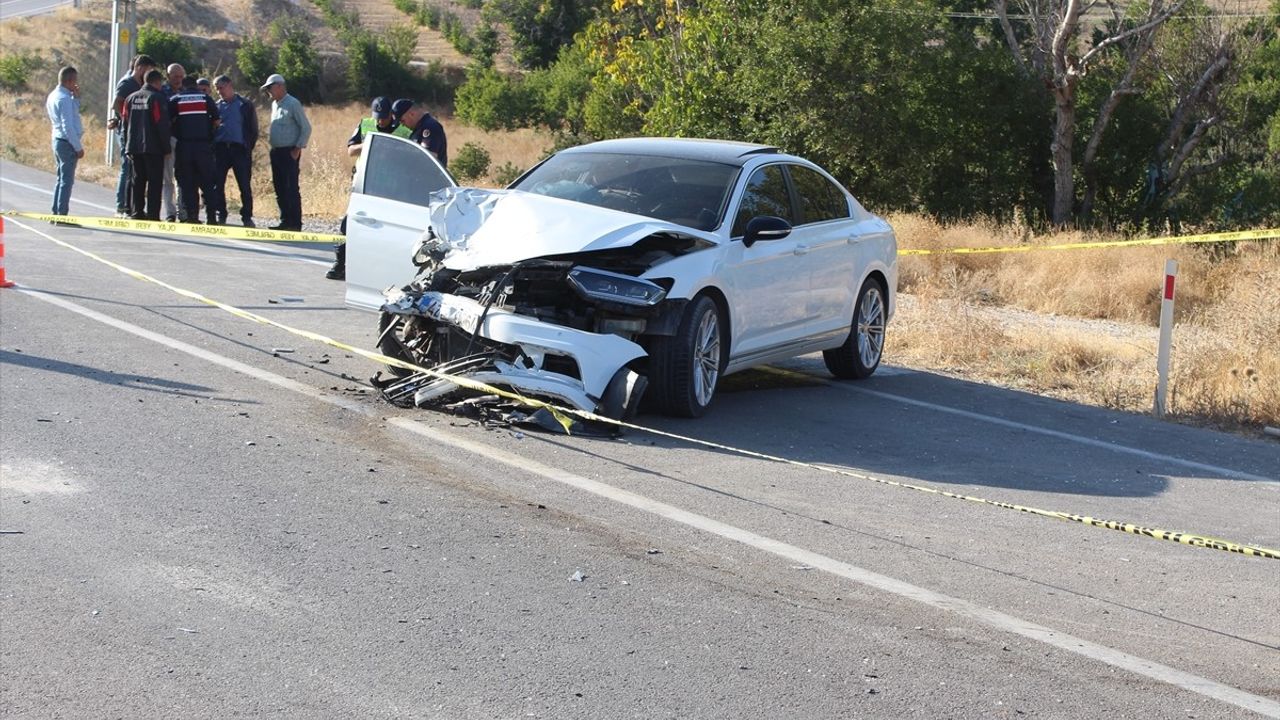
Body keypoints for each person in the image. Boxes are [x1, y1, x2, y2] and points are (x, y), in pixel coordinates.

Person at [326, 97, 411, 280]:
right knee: (349, 224)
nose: (380, 121)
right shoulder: (365, 125)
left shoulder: (403, 131)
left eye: (384, 117)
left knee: (387, 228)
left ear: (391, 115)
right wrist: (371, 144)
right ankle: (340, 264)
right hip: (364, 184)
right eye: (378, 117)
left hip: (391, 188)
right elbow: (350, 151)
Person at [261, 73, 311, 231]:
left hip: (289, 151)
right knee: (279, 187)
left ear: (280, 86)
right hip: (276, 151)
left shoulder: (292, 103)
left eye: (270, 88)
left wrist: (297, 148)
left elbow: (306, 127)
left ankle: (295, 223)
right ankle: (285, 220)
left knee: (291, 188)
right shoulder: (275, 104)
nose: (269, 91)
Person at [108, 55, 157, 217]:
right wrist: (125, 119)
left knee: (134, 171)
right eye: (149, 70)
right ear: (141, 68)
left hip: (137, 133)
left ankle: (130, 205)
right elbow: (117, 103)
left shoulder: (140, 84)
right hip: (127, 132)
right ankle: (121, 205)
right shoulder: (127, 83)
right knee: (127, 168)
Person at [169, 75, 220, 224]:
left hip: (184, 146)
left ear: (182, 86)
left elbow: (168, 121)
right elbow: (217, 121)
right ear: (195, 86)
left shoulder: (176, 99)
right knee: (208, 183)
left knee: (187, 183)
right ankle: (211, 218)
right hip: (203, 146)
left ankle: (192, 217)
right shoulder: (206, 99)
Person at [122, 70, 171, 220]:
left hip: (134, 147)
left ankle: (137, 212)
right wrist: (166, 148)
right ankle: (153, 214)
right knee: (154, 182)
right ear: (157, 82)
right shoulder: (156, 98)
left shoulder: (130, 98)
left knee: (138, 181)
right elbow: (161, 124)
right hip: (153, 148)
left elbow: (125, 123)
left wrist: (126, 145)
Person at [211, 75, 258, 227]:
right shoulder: (216, 106)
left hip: (239, 149)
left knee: (244, 184)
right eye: (217, 89)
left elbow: (253, 129)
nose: (219, 91)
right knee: (218, 183)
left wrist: (248, 147)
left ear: (230, 85)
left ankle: (246, 216)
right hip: (221, 149)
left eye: (221, 87)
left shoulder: (244, 104)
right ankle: (221, 214)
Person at [46, 66, 84, 218]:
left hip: (57, 139)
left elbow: (71, 114)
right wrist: (78, 147)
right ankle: (62, 213)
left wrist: (76, 97)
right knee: (66, 181)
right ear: (69, 81)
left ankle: (56, 210)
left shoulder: (55, 95)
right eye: (75, 81)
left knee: (61, 178)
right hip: (66, 142)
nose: (76, 84)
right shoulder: (64, 99)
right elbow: (67, 126)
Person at [159, 63, 187, 221]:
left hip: (183, 140)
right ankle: (170, 212)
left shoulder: (186, 92)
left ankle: (182, 210)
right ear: (168, 76)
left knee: (182, 178)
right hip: (168, 139)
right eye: (175, 77)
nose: (179, 80)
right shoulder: (161, 92)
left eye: (181, 77)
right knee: (168, 178)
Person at [390, 99, 447, 168]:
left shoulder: (430, 127)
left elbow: (428, 159)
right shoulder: (419, 128)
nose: (402, 125)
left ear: (411, 114)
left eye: (402, 121)